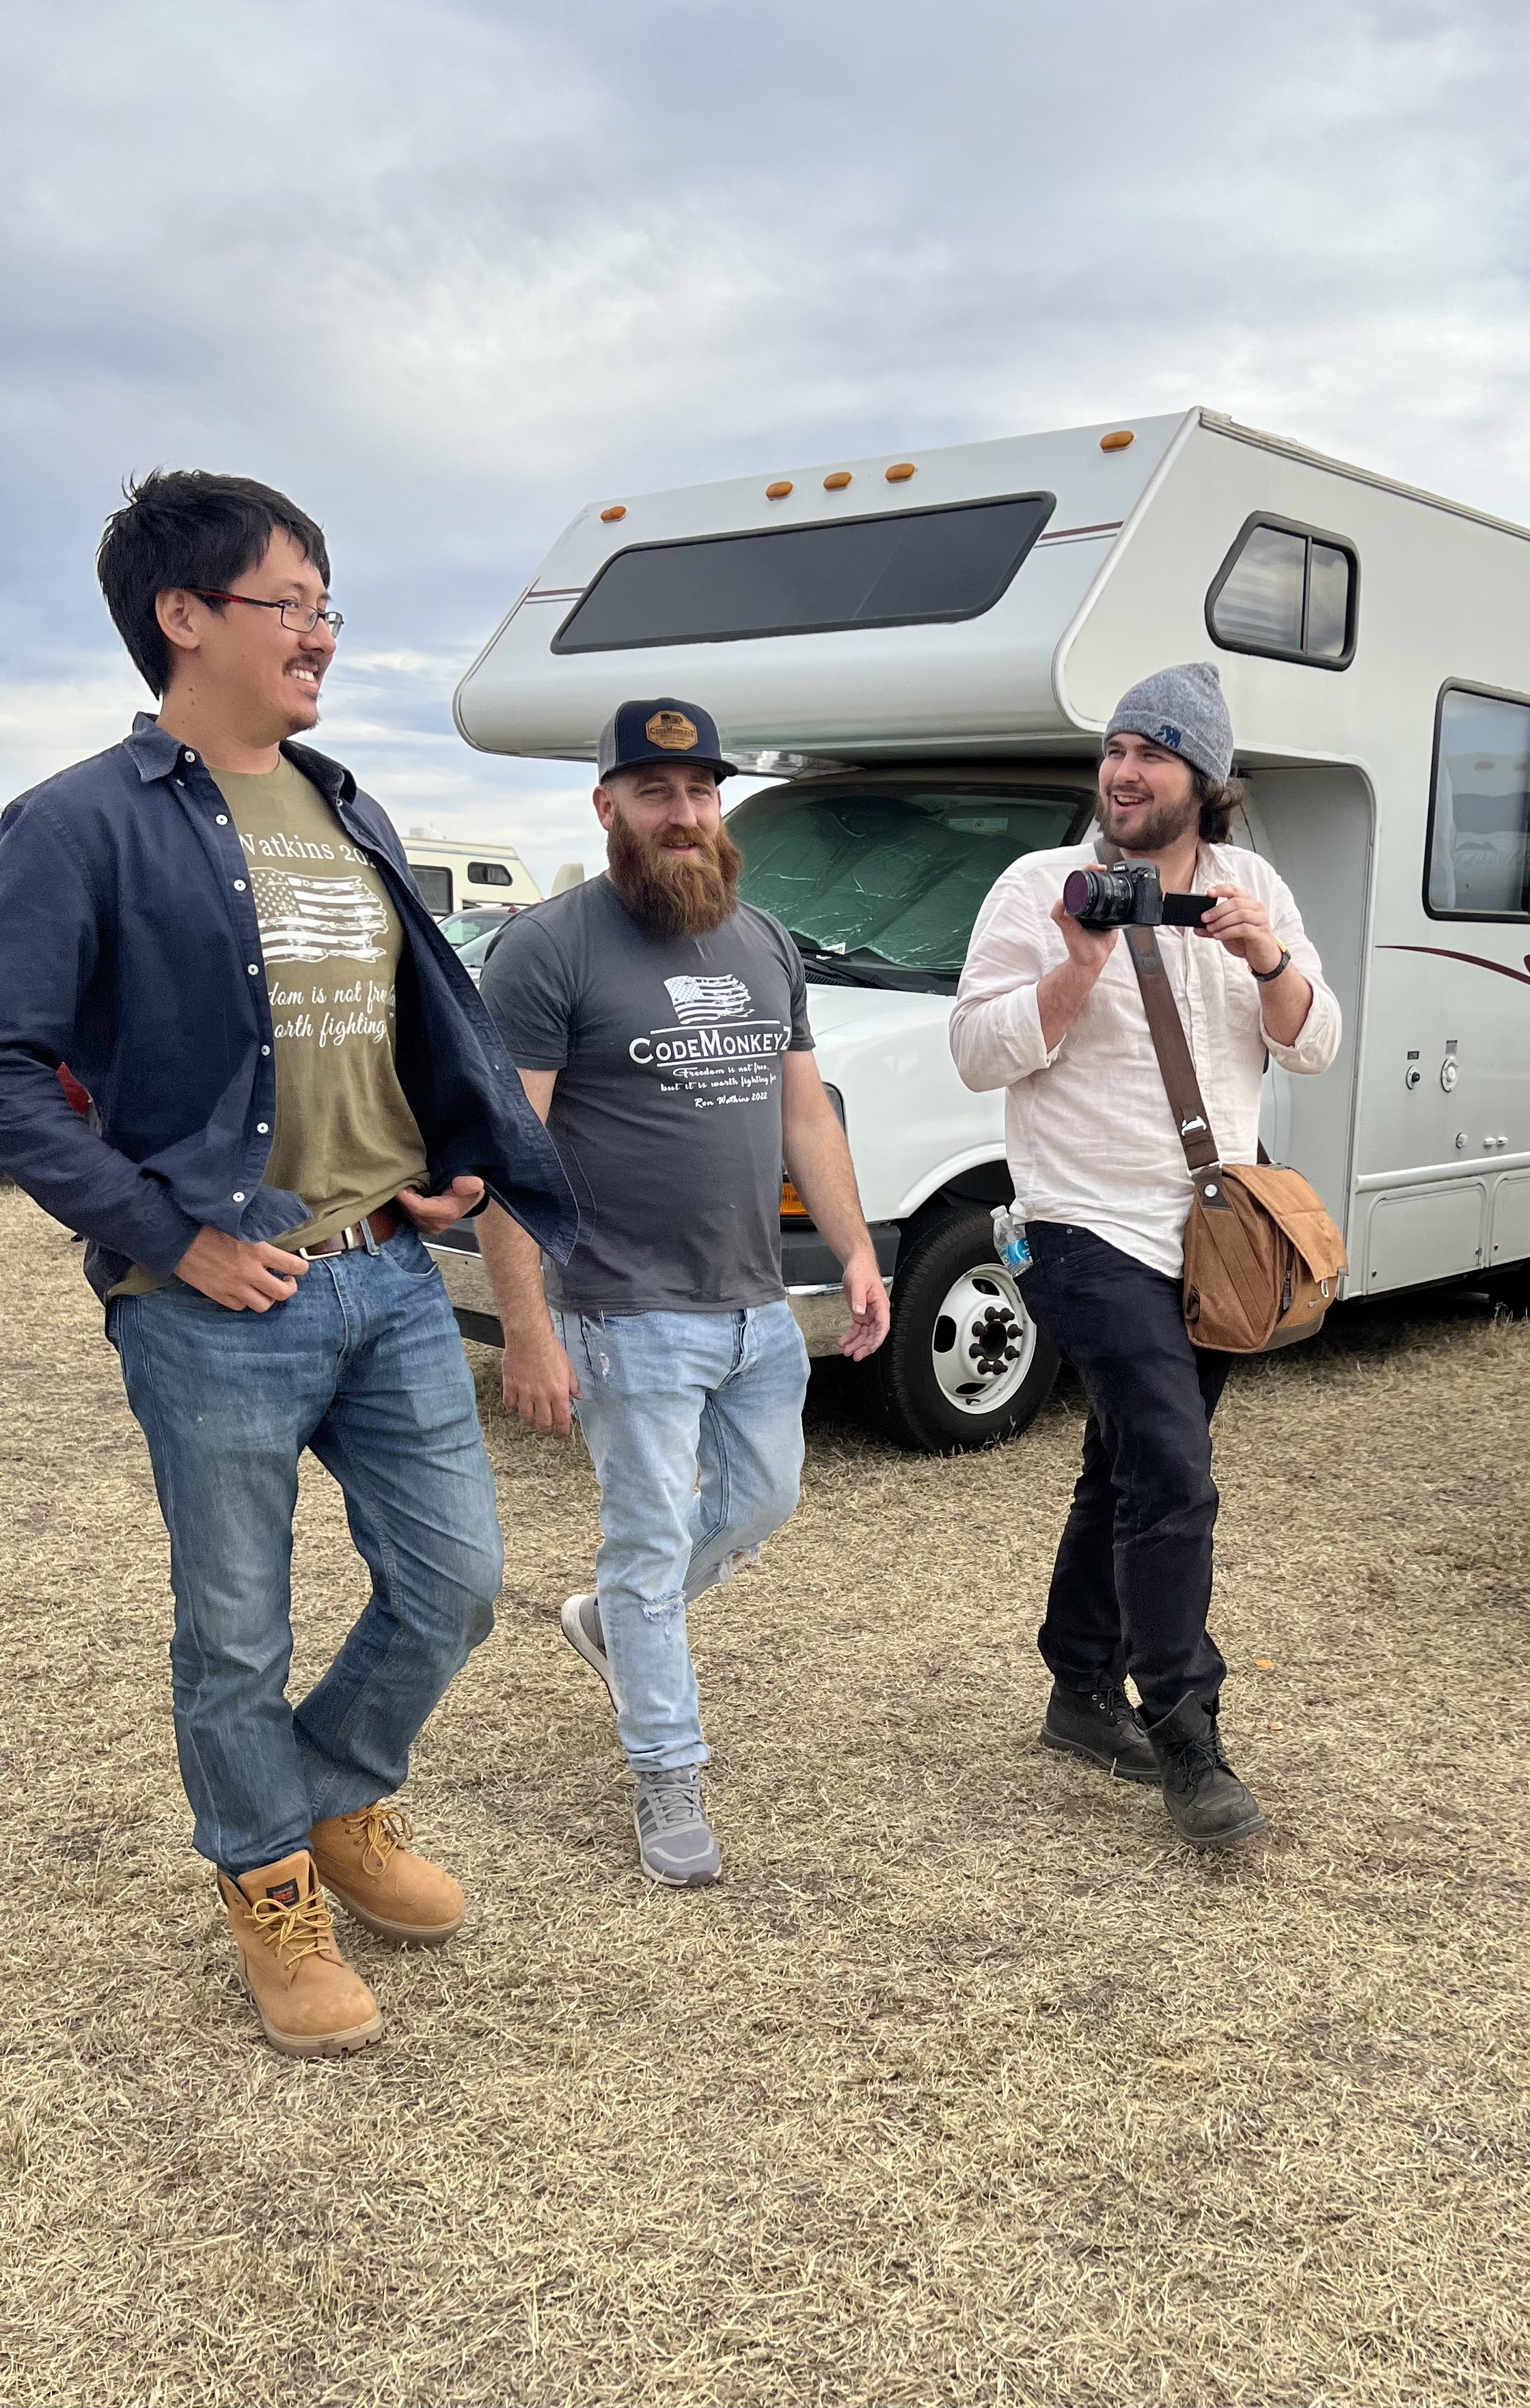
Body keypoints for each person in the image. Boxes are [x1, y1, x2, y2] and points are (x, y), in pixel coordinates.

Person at [0, 471, 575, 2057]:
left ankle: (323, 1795)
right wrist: (168, 1236)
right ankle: (266, 1880)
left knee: (456, 1580)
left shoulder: (345, 802)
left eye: (328, 605)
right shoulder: (74, 822)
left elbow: (404, 1015)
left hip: (389, 1273)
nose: (321, 633)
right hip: (213, 1299)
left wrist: (450, 1149)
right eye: (292, 603)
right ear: (184, 618)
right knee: (236, 1624)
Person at [476, 697, 890, 1887]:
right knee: (650, 1535)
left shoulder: (763, 940)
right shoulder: (548, 948)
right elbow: (515, 1152)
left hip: (755, 1302)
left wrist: (857, 1251)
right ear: (606, 806)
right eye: (656, 793)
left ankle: (617, 1621)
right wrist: (529, 1327)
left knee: (762, 1500)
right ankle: (666, 1771)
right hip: (621, 1307)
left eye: (702, 791)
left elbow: (806, 1114)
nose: (684, 813)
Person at [949, 663, 1341, 1851]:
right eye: (1115, 748)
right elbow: (975, 1050)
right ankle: (1186, 1727)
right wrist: (1074, 967)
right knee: (1172, 1469)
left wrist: (1268, 955)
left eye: (1152, 752)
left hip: (1214, 1234)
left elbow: (1317, 1044)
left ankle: (1078, 1686)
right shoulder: (1035, 888)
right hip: (1079, 1221)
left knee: (1125, 1463)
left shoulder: (1253, 885)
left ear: (1204, 780)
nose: (1123, 771)